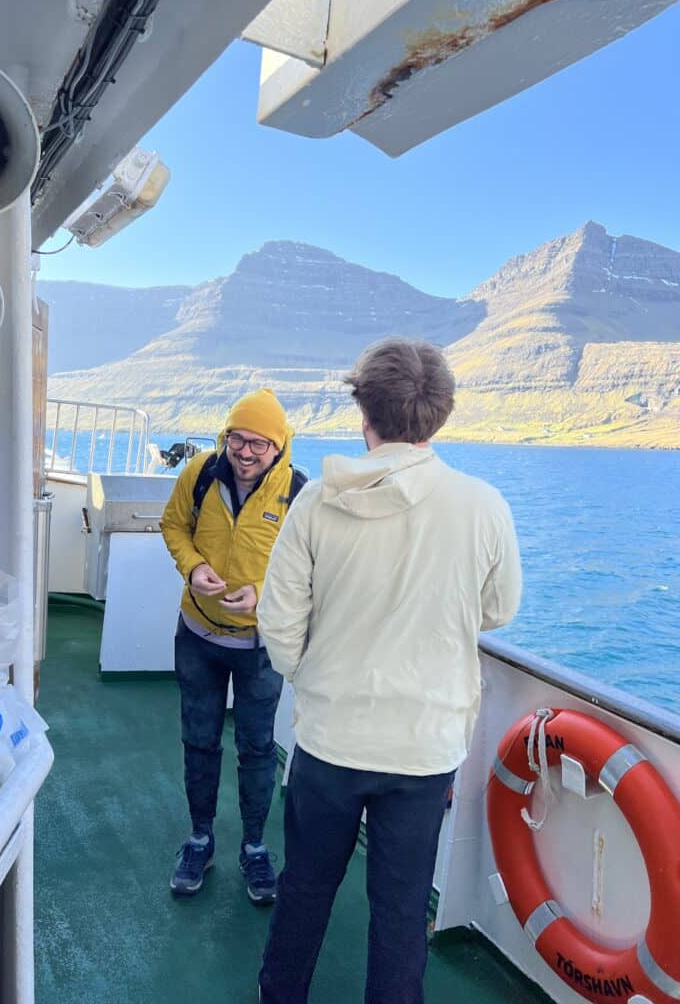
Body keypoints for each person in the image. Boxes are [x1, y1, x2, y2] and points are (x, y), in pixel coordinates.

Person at [256, 338, 522, 1003]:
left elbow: (279, 624)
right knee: (402, 913)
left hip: (330, 740)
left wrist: (311, 679)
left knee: (306, 890)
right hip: (424, 750)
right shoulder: (482, 505)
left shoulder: (315, 502)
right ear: (441, 414)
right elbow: (499, 609)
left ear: (362, 410)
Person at [159, 388, 302, 905]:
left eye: (258, 444)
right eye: (237, 439)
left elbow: (309, 572)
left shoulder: (298, 496)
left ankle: (255, 848)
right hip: (197, 636)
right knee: (198, 740)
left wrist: (262, 598)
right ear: (225, 437)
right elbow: (174, 525)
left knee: (258, 748)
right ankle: (199, 839)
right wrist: (193, 566)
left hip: (259, 647)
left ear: (279, 446)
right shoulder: (199, 473)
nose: (244, 453)